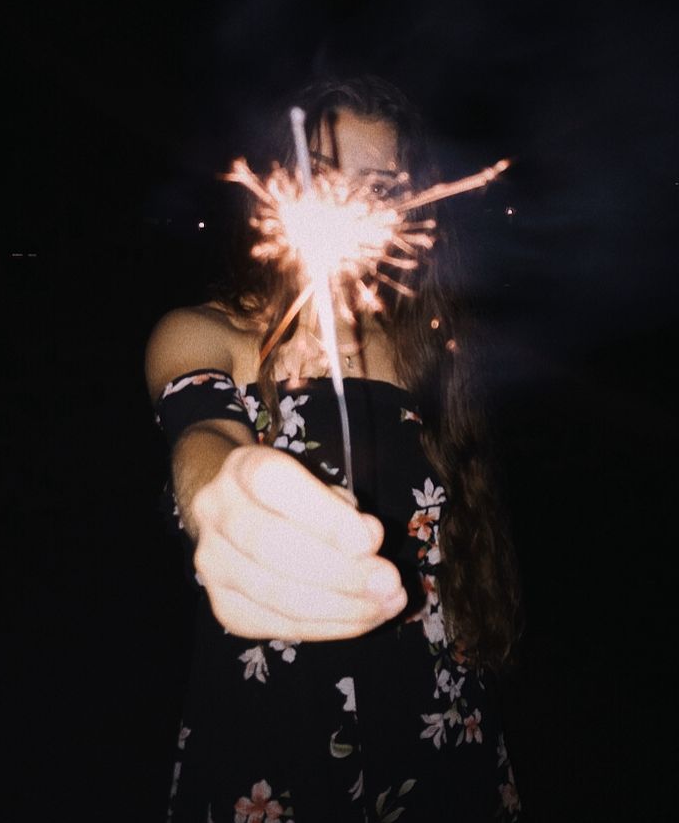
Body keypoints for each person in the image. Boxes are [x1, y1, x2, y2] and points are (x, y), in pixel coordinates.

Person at [145, 76, 523, 821]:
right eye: (322, 177)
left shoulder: (434, 356)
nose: (346, 205)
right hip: (278, 728)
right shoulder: (208, 331)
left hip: (439, 719)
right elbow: (202, 432)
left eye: (378, 187)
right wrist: (219, 500)